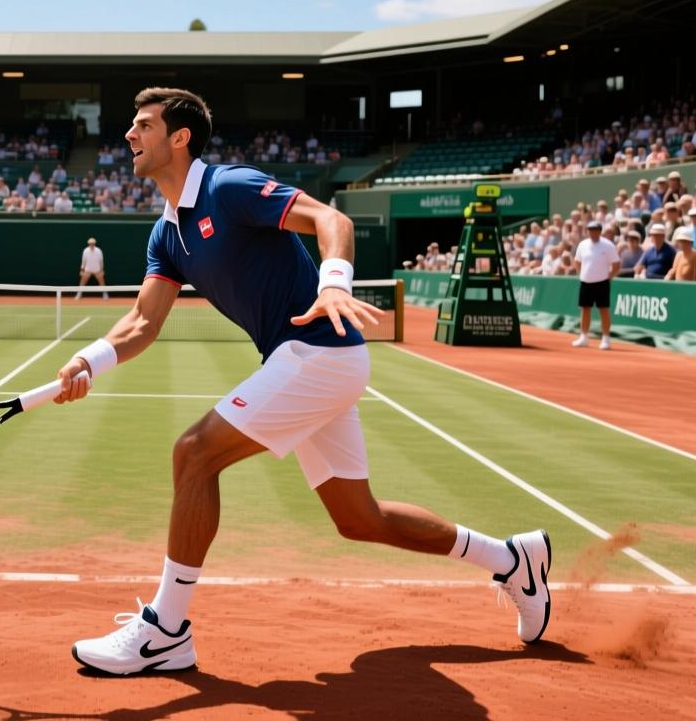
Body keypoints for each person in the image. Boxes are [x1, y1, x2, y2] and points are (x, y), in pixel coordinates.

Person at [53, 87, 551, 676]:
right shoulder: (167, 234)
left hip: (317, 353)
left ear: (179, 136)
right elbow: (141, 322)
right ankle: (513, 559)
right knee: (360, 519)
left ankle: (166, 630)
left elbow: (328, 218)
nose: (129, 137)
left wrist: (334, 282)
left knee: (193, 454)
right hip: (304, 362)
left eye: (142, 126)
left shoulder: (227, 186)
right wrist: (89, 360)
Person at [571, 220, 621, 350]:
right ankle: (583, 337)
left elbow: (616, 264)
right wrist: (581, 274)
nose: (593, 232)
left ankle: (606, 339)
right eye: (590, 230)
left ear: (600, 231)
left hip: (602, 283)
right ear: (588, 232)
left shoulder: (608, 245)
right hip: (585, 282)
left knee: (603, 310)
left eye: (596, 230)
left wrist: (609, 277)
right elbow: (577, 261)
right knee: (585, 309)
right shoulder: (582, 245)